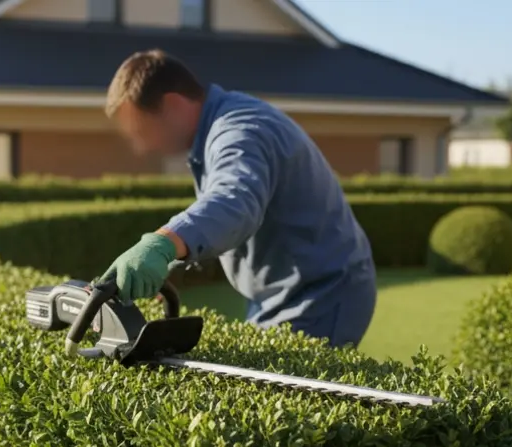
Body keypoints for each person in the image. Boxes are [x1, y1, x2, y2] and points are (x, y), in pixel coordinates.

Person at [100, 50, 378, 348]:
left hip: (320, 297)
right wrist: (174, 263)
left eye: (141, 131)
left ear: (172, 104)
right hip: (277, 295)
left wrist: (163, 243)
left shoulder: (239, 130)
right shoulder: (219, 127)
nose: (141, 148)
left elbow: (234, 201)